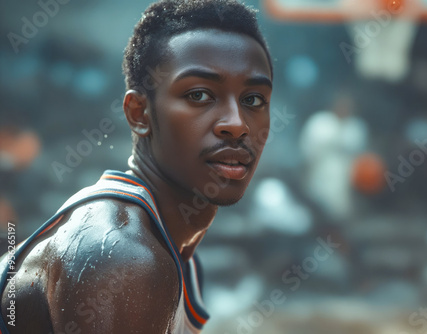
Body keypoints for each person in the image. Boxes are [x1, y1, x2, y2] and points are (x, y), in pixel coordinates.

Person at [0, 0, 274, 332]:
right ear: (139, 114)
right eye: (200, 95)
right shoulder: (122, 255)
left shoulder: (172, 251)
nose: (237, 124)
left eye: (253, 100)